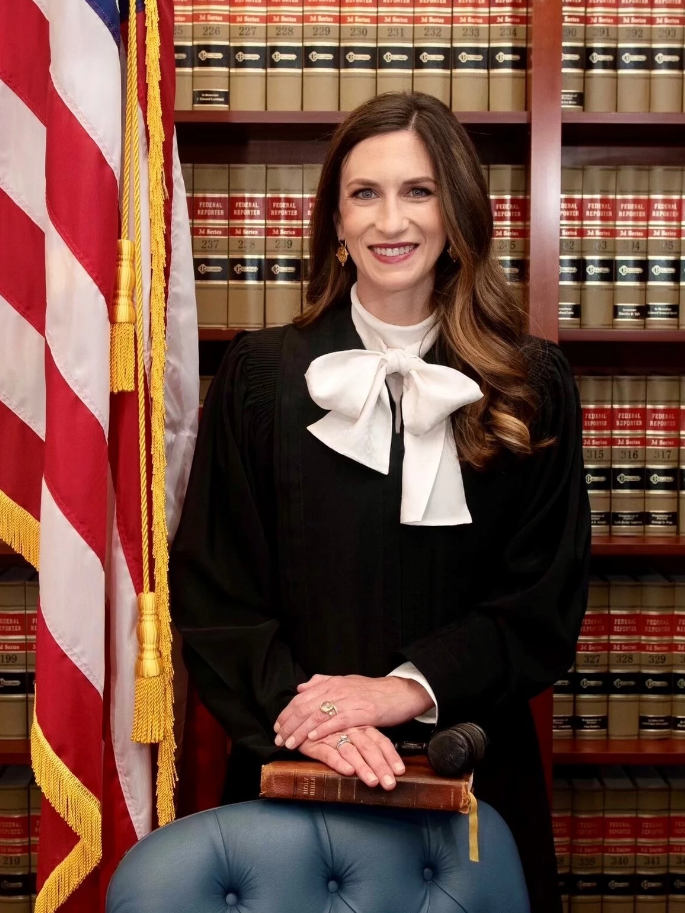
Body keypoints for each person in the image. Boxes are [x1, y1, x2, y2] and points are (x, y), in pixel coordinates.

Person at [170, 91, 591, 913]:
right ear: (334, 219)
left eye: (418, 191)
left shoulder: (531, 383)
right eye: (364, 193)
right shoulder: (259, 379)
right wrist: (323, 720)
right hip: (291, 772)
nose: (389, 220)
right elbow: (218, 594)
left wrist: (402, 688)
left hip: (472, 782)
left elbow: (543, 601)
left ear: (456, 213)